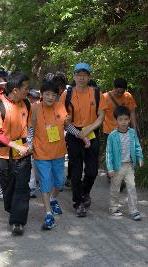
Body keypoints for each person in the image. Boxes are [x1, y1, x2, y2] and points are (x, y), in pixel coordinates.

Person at [27, 76, 89, 230]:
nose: (50, 97)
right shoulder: (34, 108)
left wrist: (82, 136)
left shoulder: (61, 107)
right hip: (41, 153)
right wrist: (29, 145)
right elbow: (30, 130)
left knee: (60, 183)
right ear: (42, 94)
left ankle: (54, 199)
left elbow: (68, 126)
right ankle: (48, 214)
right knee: (46, 184)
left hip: (59, 153)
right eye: (47, 94)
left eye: (53, 95)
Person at [58, 62, 108, 217]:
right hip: (73, 134)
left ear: (89, 77)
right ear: (74, 76)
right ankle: (78, 202)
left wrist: (88, 130)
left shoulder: (96, 93)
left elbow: (101, 116)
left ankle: (85, 193)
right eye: (78, 75)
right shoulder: (67, 94)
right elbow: (62, 118)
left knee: (92, 171)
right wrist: (77, 132)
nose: (81, 78)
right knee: (76, 170)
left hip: (92, 132)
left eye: (84, 75)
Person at [0, 71, 31, 236]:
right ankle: (12, 209)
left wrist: (28, 145)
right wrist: (15, 146)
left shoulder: (26, 103)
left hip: (23, 153)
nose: (28, 91)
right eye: (26, 88)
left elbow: (30, 126)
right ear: (15, 90)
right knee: (8, 187)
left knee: (22, 187)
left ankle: (17, 222)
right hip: (3, 154)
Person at [106, 105, 144, 221]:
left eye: (126, 119)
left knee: (132, 186)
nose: (123, 122)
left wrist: (140, 158)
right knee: (115, 187)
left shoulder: (132, 133)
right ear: (116, 120)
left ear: (129, 120)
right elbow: (109, 152)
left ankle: (134, 210)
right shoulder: (112, 136)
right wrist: (110, 168)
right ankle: (113, 207)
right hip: (117, 167)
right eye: (120, 119)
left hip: (129, 165)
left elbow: (137, 146)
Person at [27, 88, 41, 198]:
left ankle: (32, 187)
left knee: (32, 163)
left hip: (35, 136)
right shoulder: (41, 106)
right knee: (37, 162)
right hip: (38, 137)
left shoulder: (30, 106)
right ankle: (37, 185)